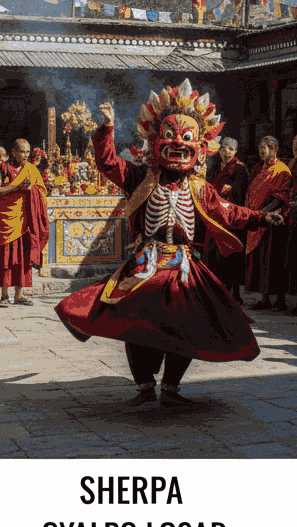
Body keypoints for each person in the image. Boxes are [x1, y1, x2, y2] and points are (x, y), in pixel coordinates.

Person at [55, 83, 284, 406]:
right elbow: (108, 164)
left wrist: (262, 218)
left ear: (202, 147)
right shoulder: (141, 178)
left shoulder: (201, 188)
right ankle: (145, 385)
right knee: (135, 322)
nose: (178, 143)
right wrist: (107, 129)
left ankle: (172, 387)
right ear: (154, 140)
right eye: (171, 135)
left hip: (184, 266)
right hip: (144, 264)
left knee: (189, 325)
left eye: (187, 138)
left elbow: (230, 212)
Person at [0, 138, 48, 306]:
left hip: (24, 220)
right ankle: (4, 295)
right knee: (5, 258)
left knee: (23, 258)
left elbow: (42, 191)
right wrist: (17, 187)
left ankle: (18, 295)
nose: (25, 155)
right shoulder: (2, 169)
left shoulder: (32, 169)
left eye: (27, 152)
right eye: (22, 152)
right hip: (6, 220)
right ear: (14, 152)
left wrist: (33, 189)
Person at [245, 135, 291, 312]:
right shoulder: (257, 167)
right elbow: (251, 190)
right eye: (261, 147)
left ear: (275, 150)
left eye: (267, 147)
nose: (263, 150)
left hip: (274, 220)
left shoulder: (282, 170)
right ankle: (264, 298)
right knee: (260, 261)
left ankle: (279, 300)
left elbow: (280, 197)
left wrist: (264, 212)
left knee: (275, 261)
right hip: (257, 219)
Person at [203, 136, 250, 304]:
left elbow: (240, 191)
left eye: (231, 149)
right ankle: (216, 289)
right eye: (224, 148)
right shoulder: (215, 167)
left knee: (232, 254)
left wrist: (225, 194)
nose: (226, 152)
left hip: (232, 217)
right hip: (215, 217)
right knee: (213, 253)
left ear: (236, 151)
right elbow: (208, 188)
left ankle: (235, 292)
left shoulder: (240, 169)